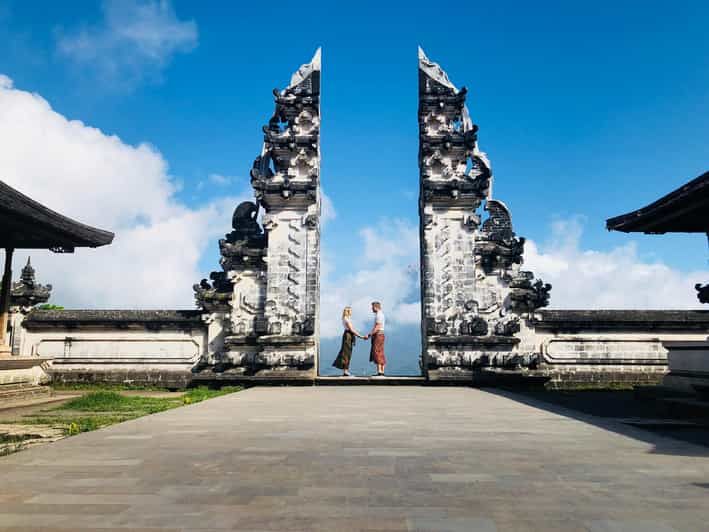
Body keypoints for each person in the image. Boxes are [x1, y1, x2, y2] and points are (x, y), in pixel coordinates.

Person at [332, 306, 365, 376]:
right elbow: (351, 330)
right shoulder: (346, 319)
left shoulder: (346, 319)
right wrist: (361, 336)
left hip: (348, 335)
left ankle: (345, 370)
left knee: (347, 353)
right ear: (348, 311)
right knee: (346, 353)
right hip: (348, 336)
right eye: (350, 311)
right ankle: (345, 371)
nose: (352, 312)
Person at [365, 301, 386, 376]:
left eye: (372, 307)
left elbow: (378, 326)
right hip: (381, 334)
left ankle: (379, 371)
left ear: (376, 307)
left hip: (378, 334)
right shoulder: (381, 314)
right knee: (381, 351)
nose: (372, 309)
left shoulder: (379, 315)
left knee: (377, 351)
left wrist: (370, 334)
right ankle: (382, 370)